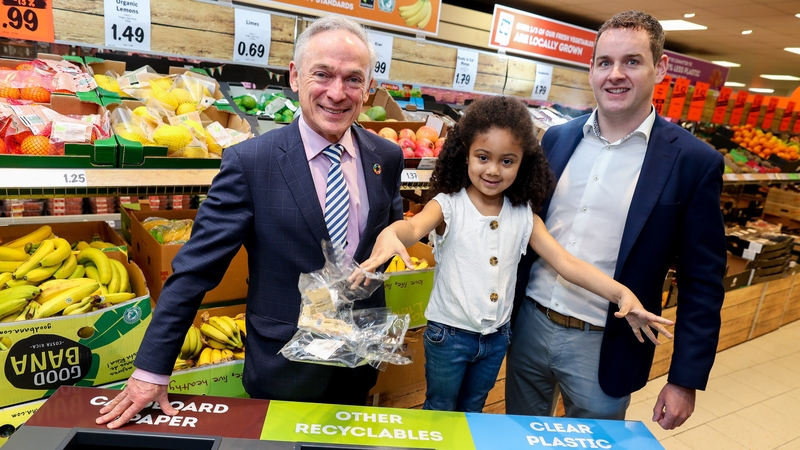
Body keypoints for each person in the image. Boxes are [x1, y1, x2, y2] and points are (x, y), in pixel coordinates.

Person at [96, 15, 405, 429]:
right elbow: (195, 269)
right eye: (323, 74)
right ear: (294, 77)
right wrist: (151, 371)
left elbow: (389, 231)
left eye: (353, 79)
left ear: (368, 89)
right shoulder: (251, 162)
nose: (337, 92)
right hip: (284, 365)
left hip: (358, 361)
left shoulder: (385, 156)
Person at [357, 96, 673, 413]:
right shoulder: (448, 204)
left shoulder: (524, 216)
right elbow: (411, 230)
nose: (493, 170)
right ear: (464, 154)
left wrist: (621, 293)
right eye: (483, 157)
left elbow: (567, 263)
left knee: (473, 409)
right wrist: (390, 233)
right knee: (440, 406)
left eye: (507, 161)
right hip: (448, 337)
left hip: (496, 340)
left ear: (524, 164)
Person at [506, 10, 727, 430]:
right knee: (518, 436)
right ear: (591, 69)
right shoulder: (557, 138)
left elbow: (703, 282)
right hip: (530, 326)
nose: (615, 75)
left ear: (660, 69)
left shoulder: (693, 162)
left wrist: (685, 380)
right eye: (604, 62)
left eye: (632, 61)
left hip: (606, 345)